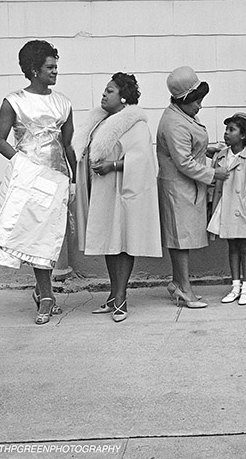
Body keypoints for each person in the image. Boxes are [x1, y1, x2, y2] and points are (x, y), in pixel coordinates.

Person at [0, 40, 75, 325]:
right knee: (35, 236)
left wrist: (75, 178)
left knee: (51, 236)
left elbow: (67, 144)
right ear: (33, 70)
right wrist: (22, 163)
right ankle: (47, 295)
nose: (55, 71)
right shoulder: (14, 101)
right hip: (28, 176)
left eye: (56, 66)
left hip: (57, 175)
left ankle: (41, 290)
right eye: (50, 67)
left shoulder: (63, 102)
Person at [73, 73, 161, 323]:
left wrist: (112, 165)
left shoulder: (134, 124)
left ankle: (121, 296)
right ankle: (113, 294)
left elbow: (142, 158)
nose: (104, 94)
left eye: (110, 91)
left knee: (122, 242)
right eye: (104, 90)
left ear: (123, 97)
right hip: (102, 189)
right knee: (109, 243)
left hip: (123, 190)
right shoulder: (99, 122)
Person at [157, 66, 229, 309]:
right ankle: (183, 288)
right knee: (180, 239)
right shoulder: (174, 123)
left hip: (186, 187)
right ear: (183, 100)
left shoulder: (182, 115)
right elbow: (183, 162)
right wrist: (213, 174)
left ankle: (179, 283)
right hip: (178, 188)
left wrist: (205, 150)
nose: (200, 106)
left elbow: (188, 149)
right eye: (197, 101)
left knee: (183, 238)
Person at [208, 113, 246, 306]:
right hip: (227, 209)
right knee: (232, 248)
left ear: (243, 135)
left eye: (231, 130)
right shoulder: (222, 156)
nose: (226, 133)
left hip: (243, 211)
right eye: (226, 129)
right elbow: (214, 180)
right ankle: (235, 286)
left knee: (245, 248)